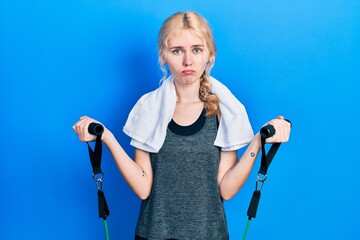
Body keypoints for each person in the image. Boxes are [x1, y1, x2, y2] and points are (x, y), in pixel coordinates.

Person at [73, 11, 291, 240]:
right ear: (163, 56)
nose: (188, 61)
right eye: (177, 51)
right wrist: (107, 137)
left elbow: (226, 189)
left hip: (210, 235)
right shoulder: (148, 109)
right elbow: (143, 187)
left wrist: (258, 141)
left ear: (209, 53)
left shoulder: (224, 111)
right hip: (153, 234)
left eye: (196, 49)